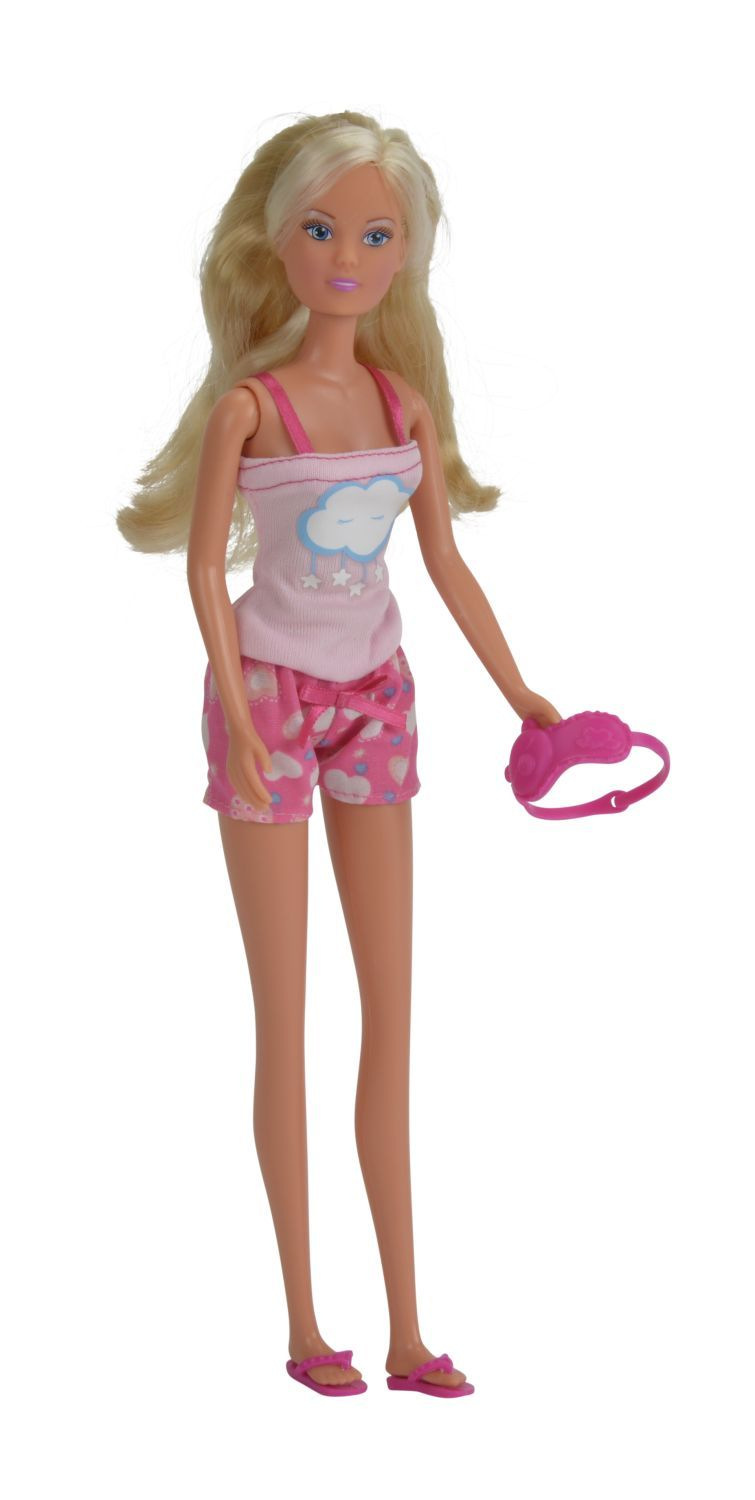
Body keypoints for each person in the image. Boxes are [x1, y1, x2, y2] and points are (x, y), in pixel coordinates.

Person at [117, 109, 561, 1398]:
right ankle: (308, 1322)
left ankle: (410, 1326)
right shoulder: (249, 409)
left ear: (408, 251)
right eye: (322, 229)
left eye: (377, 234)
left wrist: (523, 694)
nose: (349, 257)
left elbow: (446, 566)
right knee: (287, 1016)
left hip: (378, 697)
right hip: (267, 697)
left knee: (392, 1014)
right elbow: (203, 576)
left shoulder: (400, 402)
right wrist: (237, 712)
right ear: (276, 241)